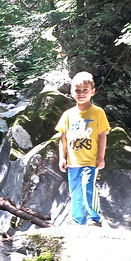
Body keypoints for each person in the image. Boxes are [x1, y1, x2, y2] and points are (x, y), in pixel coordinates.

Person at [55, 71, 110, 226]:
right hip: (73, 162)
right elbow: (63, 138)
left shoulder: (98, 112)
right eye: (77, 90)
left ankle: (95, 218)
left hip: (90, 161)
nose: (81, 94)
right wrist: (62, 157)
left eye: (85, 90)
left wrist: (100, 157)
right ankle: (77, 220)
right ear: (71, 92)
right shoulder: (68, 114)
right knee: (75, 192)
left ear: (92, 91)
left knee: (88, 188)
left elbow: (102, 135)